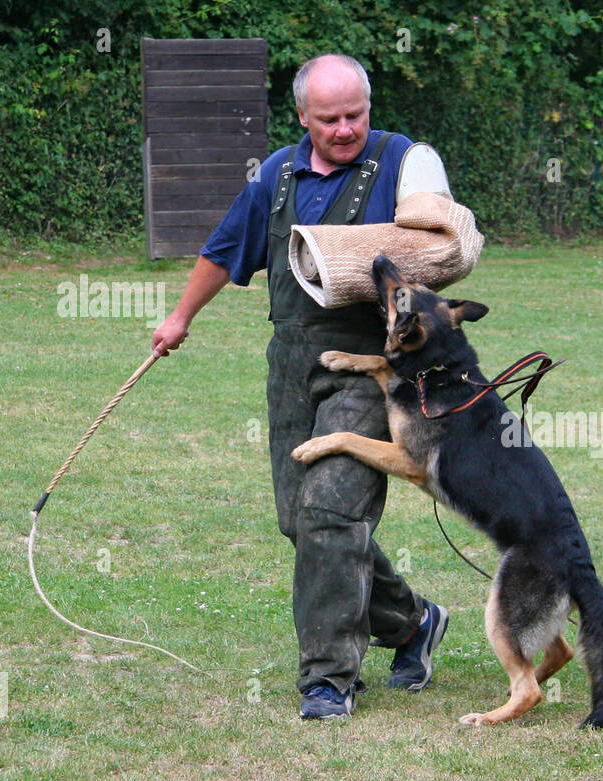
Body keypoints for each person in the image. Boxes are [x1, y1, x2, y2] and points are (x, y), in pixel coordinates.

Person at [151, 54, 451, 720]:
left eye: (356, 114)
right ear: (301, 117)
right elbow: (225, 249)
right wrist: (179, 317)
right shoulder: (274, 176)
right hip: (291, 364)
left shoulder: (403, 163)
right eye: (330, 118)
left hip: (370, 367)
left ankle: (329, 679)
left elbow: (444, 245)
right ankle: (412, 622)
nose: (346, 129)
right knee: (300, 520)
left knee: (329, 511)